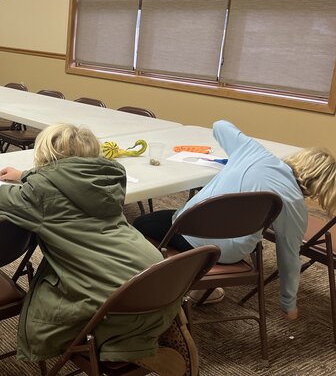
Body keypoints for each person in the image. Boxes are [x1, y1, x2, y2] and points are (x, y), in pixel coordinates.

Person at [0, 123, 179, 363]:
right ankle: (149, 334)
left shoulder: (39, 194)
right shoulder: (108, 178)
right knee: (134, 306)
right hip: (160, 278)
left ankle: (127, 347)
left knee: (46, 302)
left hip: (117, 299)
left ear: (44, 157)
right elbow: (67, 178)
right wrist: (27, 175)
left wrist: (30, 177)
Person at [133, 120, 336, 321]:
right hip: (229, 254)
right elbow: (289, 258)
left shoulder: (254, 152)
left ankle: (163, 282)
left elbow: (220, 125)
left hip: (188, 235)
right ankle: (202, 286)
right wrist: (288, 303)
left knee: (139, 223)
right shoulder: (295, 205)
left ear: (300, 159)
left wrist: (246, 145)